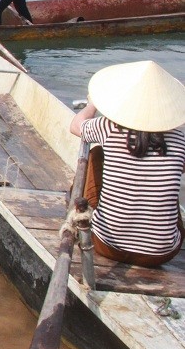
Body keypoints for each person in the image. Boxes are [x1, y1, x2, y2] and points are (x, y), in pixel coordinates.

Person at [69, 60, 185, 267]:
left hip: (107, 245)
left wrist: (92, 104)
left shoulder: (109, 127)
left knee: (96, 153)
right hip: (161, 253)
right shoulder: (179, 138)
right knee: (169, 178)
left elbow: (76, 126)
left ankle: (85, 213)